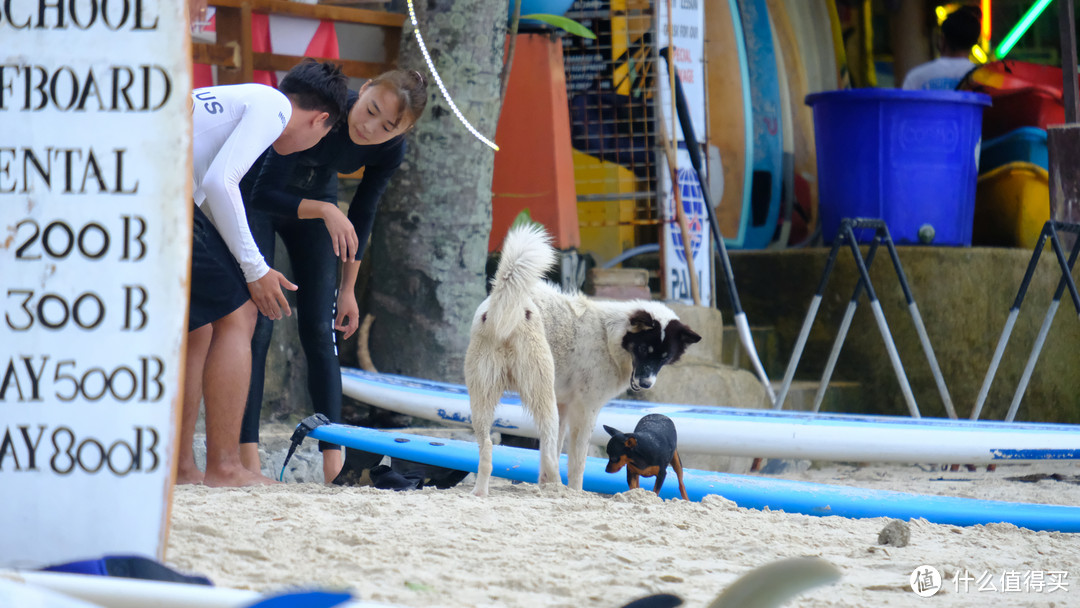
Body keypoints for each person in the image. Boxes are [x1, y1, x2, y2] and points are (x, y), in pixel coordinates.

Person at [239, 69, 428, 482]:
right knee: (259, 328)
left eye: (388, 126)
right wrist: (326, 210)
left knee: (321, 333)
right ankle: (247, 458)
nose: (369, 126)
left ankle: (334, 465)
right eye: (370, 109)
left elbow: (363, 213)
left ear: (404, 130)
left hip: (318, 202)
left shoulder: (390, 150)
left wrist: (348, 289)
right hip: (261, 196)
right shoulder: (328, 106)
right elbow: (263, 191)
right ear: (362, 91)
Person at [177, 61, 349, 487]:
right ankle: (225, 466)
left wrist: (250, 265)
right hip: (157, 191)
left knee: (199, 325)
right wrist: (254, 270)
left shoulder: (244, 100)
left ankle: (182, 467)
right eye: (322, 136)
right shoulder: (272, 105)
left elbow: (210, 201)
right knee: (240, 314)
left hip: (150, 187)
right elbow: (222, 184)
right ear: (320, 119)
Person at [902, 6, 981, 91]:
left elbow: (903, 103)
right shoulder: (982, 80)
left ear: (942, 40)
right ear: (974, 43)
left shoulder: (915, 77)